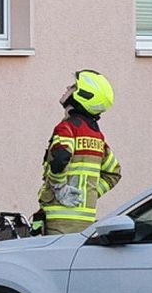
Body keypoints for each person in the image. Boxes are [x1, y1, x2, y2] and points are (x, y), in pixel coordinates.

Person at [35, 69, 121, 235]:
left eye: (74, 86)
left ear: (84, 95)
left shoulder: (67, 128)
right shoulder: (97, 136)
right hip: (85, 224)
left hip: (58, 223)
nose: (68, 88)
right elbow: (114, 173)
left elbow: (60, 158)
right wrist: (90, 194)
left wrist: (60, 188)